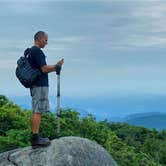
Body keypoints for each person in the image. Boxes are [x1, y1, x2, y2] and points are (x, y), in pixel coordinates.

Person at [28, 31, 64, 149]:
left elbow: (41, 68)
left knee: (36, 110)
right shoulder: (37, 51)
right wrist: (56, 66)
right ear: (39, 38)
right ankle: (35, 139)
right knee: (37, 111)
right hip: (39, 85)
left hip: (36, 84)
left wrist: (54, 67)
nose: (47, 43)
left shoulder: (32, 51)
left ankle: (35, 137)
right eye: (46, 40)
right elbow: (43, 69)